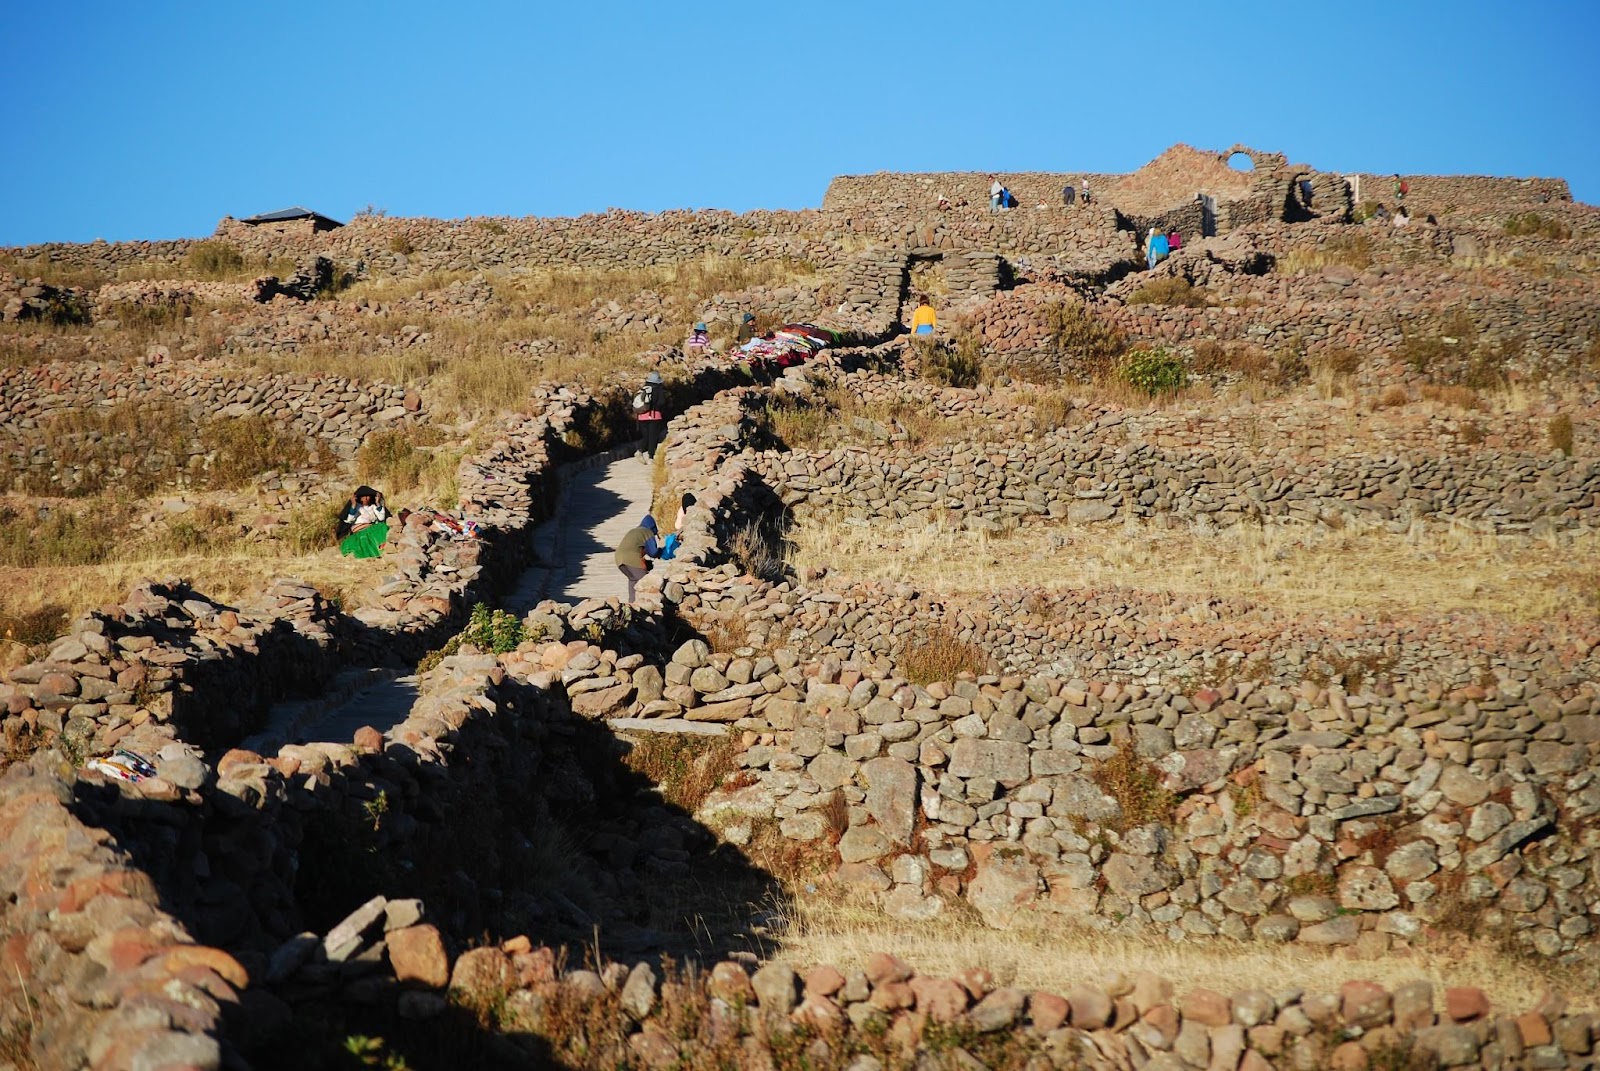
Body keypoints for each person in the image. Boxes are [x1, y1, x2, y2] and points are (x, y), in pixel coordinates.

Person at [614, 515, 660, 603]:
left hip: (618, 559)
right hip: (631, 559)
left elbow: (636, 548)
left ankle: (632, 603)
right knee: (645, 582)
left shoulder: (635, 530)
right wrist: (662, 552)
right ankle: (647, 605)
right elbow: (653, 552)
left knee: (633, 580)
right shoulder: (647, 532)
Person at [337, 486, 389, 559]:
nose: (366, 498)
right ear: (360, 498)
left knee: (383, 527)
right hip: (359, 531)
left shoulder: (373, 506)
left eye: (368, 496)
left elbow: (381, 517)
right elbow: (349, 520)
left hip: (371, 528)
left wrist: (378, 503)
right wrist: (353, 506)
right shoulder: (356, 507)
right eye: (364, 497)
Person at [633, 371, 666, 461]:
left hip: (642, 416)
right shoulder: (658, 390)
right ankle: (651, 457)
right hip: (654, 416)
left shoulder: (644, 388)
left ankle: (640, 450)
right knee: (653, 437)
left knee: (646, 436)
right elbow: (661, 402)